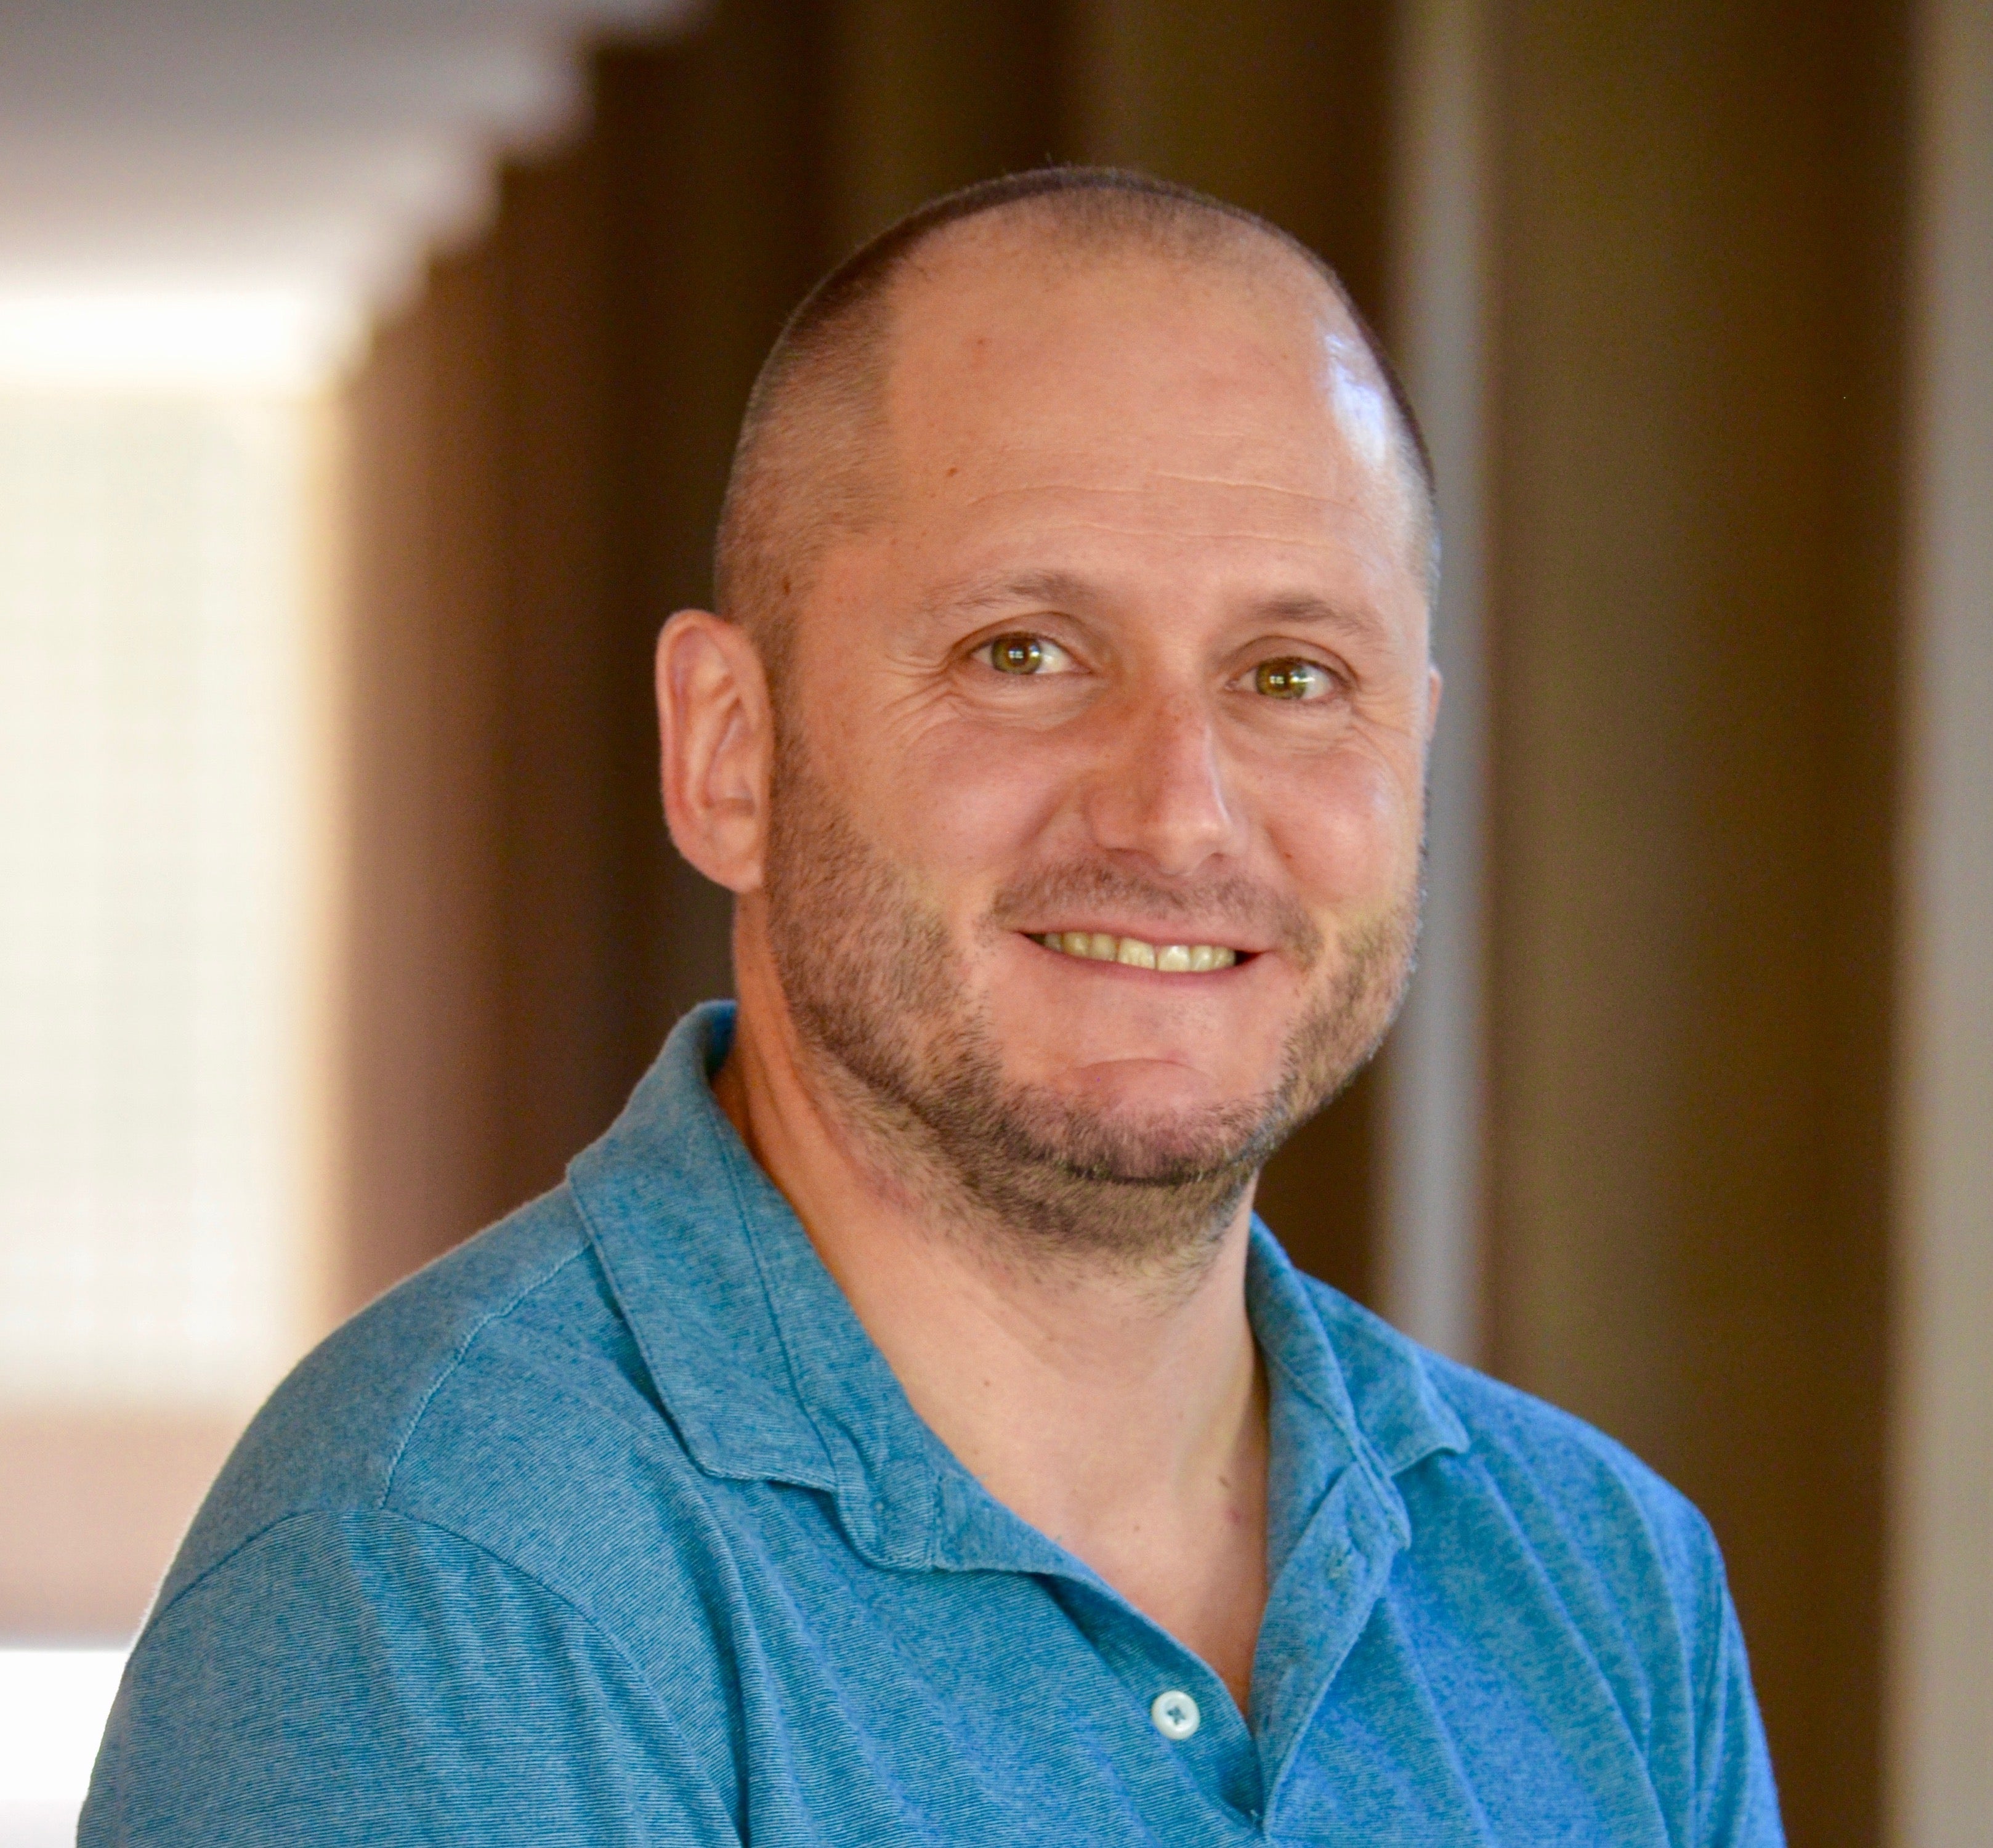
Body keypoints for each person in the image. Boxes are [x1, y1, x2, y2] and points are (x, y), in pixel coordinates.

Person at [84, 168, 1782, 1846]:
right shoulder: (435, 1587)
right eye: (1025, 652)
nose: (1178, 811)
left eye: (1290, 677)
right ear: (727, 751)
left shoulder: (1601, 1583)